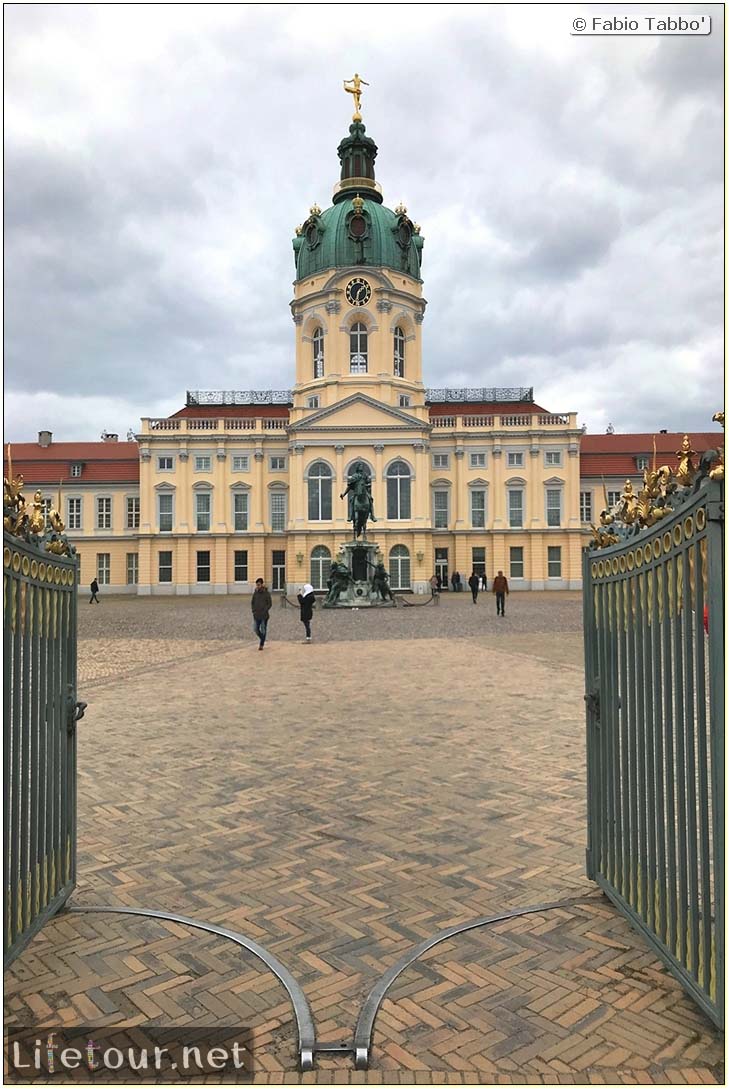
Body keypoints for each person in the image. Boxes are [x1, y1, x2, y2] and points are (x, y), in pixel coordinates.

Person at [251, 577, 272, 650]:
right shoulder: (255, 593)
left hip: (264, 615)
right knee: (255, 629)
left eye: (259, 585)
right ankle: (262, 639)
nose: (257, 586)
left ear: (262, 584)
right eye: (257, 585)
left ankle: (261, 644)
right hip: (256, 615)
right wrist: (253, 610)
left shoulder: (266, 593)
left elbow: (269, 604)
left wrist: (265, 610)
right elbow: (252, 602)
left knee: (263, 629)